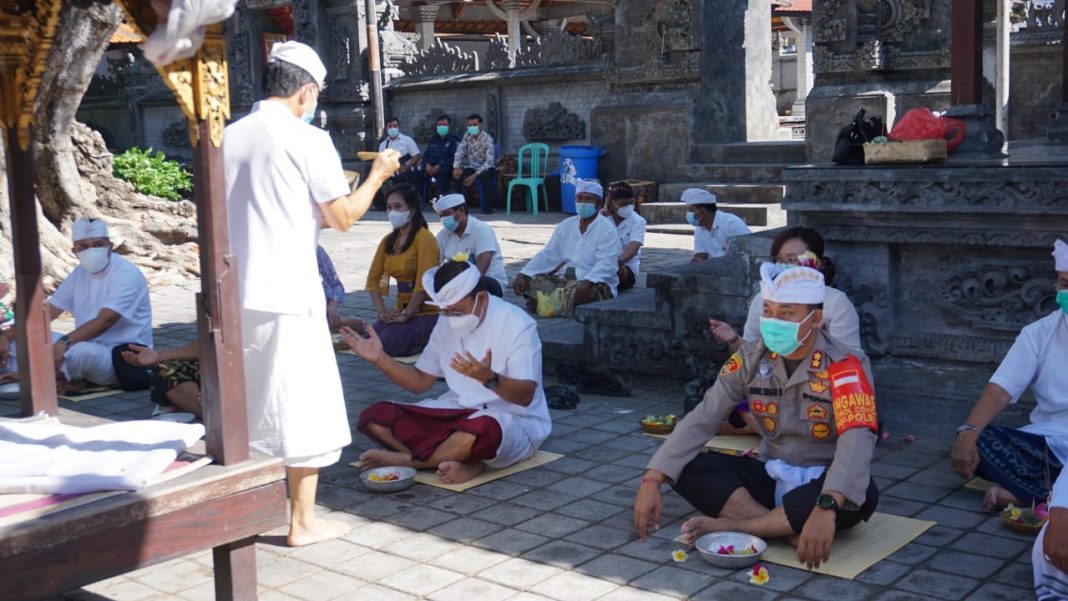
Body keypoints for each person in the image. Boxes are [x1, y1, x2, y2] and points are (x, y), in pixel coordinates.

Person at [224, 40, 400, 547]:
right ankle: (302, 521)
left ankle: (248, 505)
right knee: (301, 405)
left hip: (235, 291)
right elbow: (341, 217)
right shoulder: (307, 139)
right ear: (306, 93)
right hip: (287, 289)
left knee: (250, 402)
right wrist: (378, 176)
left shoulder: (228, 137)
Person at [633, 263, 880, 570]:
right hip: (772, 474)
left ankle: (741, 525)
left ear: (815, 319)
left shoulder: (846, 364)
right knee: (686, 465)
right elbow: (705, 416)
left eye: (786, 313)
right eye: (768, 310)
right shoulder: (751, 357)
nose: (773, 321)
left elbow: (857, 438)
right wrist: (652, 480)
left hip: (823, 481)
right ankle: (781, 529)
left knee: (862, 492)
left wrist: (827, 506)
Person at [345, 257, 551, 484]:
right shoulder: (445, 323)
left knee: (483, 431)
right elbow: (420, 382)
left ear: (481, 298)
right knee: (376, 417)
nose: (452, 318)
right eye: (447, 311)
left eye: (458, 311)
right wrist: (381, 360)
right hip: (456, 410)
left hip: (510, 419)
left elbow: (525, 397)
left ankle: (411, 460)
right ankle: (461, 459)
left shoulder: (517, 324)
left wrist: (490, 379)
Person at [121, 243, 361, 420]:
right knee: (167, 374)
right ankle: (216, 418)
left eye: (397, 206)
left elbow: (372, 281)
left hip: (276, 364)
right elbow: (377, 280)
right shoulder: (236, 275)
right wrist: (160, 356)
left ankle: (362, 325)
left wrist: (340, 305)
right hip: (233, 361)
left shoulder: (309, 253)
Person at [950, 240, 1068, 513]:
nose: (1066, 292)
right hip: (1049, 448)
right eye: (1064, 284)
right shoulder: (1039, 333)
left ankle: (1030, 496)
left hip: (1049, 467)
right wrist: (968, 432)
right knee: (979, 440)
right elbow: (1001, 389)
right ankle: (1051, 498)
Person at [710, 227, 862, 435]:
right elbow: (749, 356)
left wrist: (818, 341)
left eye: (792, 260)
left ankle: (760, 430)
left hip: (817, 389)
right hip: (771, 386)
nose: (784, 267)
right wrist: (734, 339)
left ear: (814, 263)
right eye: (779, 260)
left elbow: (853, 361)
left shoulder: (835, 303)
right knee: (720, 400)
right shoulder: (762, 300)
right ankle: (767, 429)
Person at [0, 217, 153, 393]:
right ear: (75, 251)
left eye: (98, 244)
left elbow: (106, 321)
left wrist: (64, 343)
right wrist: (8, 335)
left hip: (121, 359)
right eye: (84, 247)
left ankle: (41, 374)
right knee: (18, 342)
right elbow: (49, 311)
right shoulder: (79, 273)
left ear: (110, 247)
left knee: (80, 353)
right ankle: (54, 373)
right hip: (79, 343)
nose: (91, 250)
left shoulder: (127, 274)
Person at [512, 180, 621, 317]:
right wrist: (523, 273)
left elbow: (607, 263)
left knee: (585, 294)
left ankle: (550, 303)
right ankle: (557, 303)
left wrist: (588, 282)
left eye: (588, 199)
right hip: (564, 281)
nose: (583, 202)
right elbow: (548, 254)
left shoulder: (607, 229)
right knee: (529, 282)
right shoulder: (566, 225)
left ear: (598, 204)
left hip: (593, 282)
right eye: (580, 198)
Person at [359, 184, 440, 357]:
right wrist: (382, 311)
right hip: (399, 310)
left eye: (398, 207)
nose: (392, 212)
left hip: (426, 312)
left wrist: (407, 313)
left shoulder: (425, 238)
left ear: (412, 209)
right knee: (369, 340)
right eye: (388, 207)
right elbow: (375, 279)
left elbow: (423, 284)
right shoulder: (389, 241)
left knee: (391, 344)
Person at [432, 193, 508, 297]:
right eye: (441, 216)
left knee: (482, 285)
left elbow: (484, 264)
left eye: (447, 214)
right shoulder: (443, 235)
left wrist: (465, 287)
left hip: (486, 280)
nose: (444, 219)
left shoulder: (481, 229)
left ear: (461, 210)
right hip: (457, 284)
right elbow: (434, 264)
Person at [683, 188, 751, 262]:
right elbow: (700, 256)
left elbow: (747, 255)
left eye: (691, 210)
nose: (688, 214)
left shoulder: (732, 225)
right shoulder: (699, 231)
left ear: (702, 211)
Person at [604, 182, 647, 292]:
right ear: (611, 203)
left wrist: (615, 263)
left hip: (624, 267)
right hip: (600, 264)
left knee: (615, 274)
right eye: (623, 204)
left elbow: (633, 249)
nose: (628, 207)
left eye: (631, 203)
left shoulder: (638, 221)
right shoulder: (601, 219)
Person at [451, 114, 496, 214]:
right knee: (457, 175)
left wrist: (474, 176)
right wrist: (456, 167)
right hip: (472, 166)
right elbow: (460, 151)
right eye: (470, 125)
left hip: (486, 168)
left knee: (484, 177)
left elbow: (489, 162)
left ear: (481, 125)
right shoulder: (467, 135)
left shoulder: (488, 139)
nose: (472, 127)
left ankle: (487, 209)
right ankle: (458, 207)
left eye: (474, 125)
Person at [422, 114, 460, 200]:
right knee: (415, 174)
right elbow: (426, 155)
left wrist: (438, 166)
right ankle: (420, 201)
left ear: (449, 126)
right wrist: (427, 164)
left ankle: (441, 200)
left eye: (444, 125)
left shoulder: (454, 140)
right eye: (439, 125)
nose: (441, 127)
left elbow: (453, 158)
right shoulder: (433, 139)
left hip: (445, 167)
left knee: (443, 173)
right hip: (430, 168)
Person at [379, 117, 421, 187]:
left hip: (406, 175)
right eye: (390, 126)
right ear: (386, 128)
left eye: (395, 126)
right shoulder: (383, 145)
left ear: (398, 127)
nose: (392, 128)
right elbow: (380, 161)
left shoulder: (407, 140)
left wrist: (406, 167)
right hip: (390, 176)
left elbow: (417, 155)